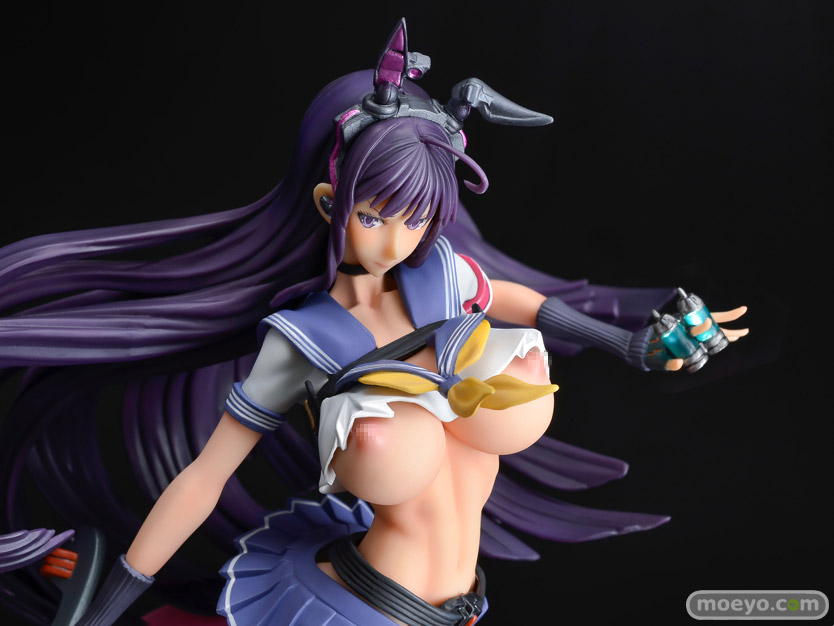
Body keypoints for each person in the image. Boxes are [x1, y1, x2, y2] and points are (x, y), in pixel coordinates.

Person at [0, 19, 746, 626]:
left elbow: (517, 300)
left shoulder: (443, 277)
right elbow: (204, 478)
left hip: (458, 607)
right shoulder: (305, 339)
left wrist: (626, 344)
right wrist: (107, 606)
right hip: (356, 607)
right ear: (330, 203)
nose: (396, 241)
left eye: (417, 218)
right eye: (374, 215)